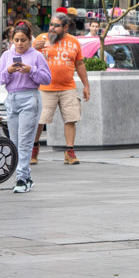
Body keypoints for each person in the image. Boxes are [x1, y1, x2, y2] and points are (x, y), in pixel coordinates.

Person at [0, 21, 51, 193]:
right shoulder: (6, 56)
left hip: (30, 98)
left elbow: (46, 78)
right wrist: (9, 71)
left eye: (23, 40)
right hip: (12, 99)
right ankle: (25, 176)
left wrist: (31, 70)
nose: (19, 44)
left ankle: (20, 177)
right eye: (17, 40)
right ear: (12, 40)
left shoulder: (36, 56)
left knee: (25, 140)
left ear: (30, 40)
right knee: (14, 141)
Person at [30, 13, 90, 166]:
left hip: (67, 88)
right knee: (39, 120)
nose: (52, 28)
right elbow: (26, 58)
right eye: (51, 24)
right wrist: (32, 49)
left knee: (71, 119)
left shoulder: (74, 42)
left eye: (56, 25)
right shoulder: (41, 40)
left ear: (65, 27)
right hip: (45, 87)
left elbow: (80, 64)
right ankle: (34, 149)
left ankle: (69, 152)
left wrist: (86, 85)